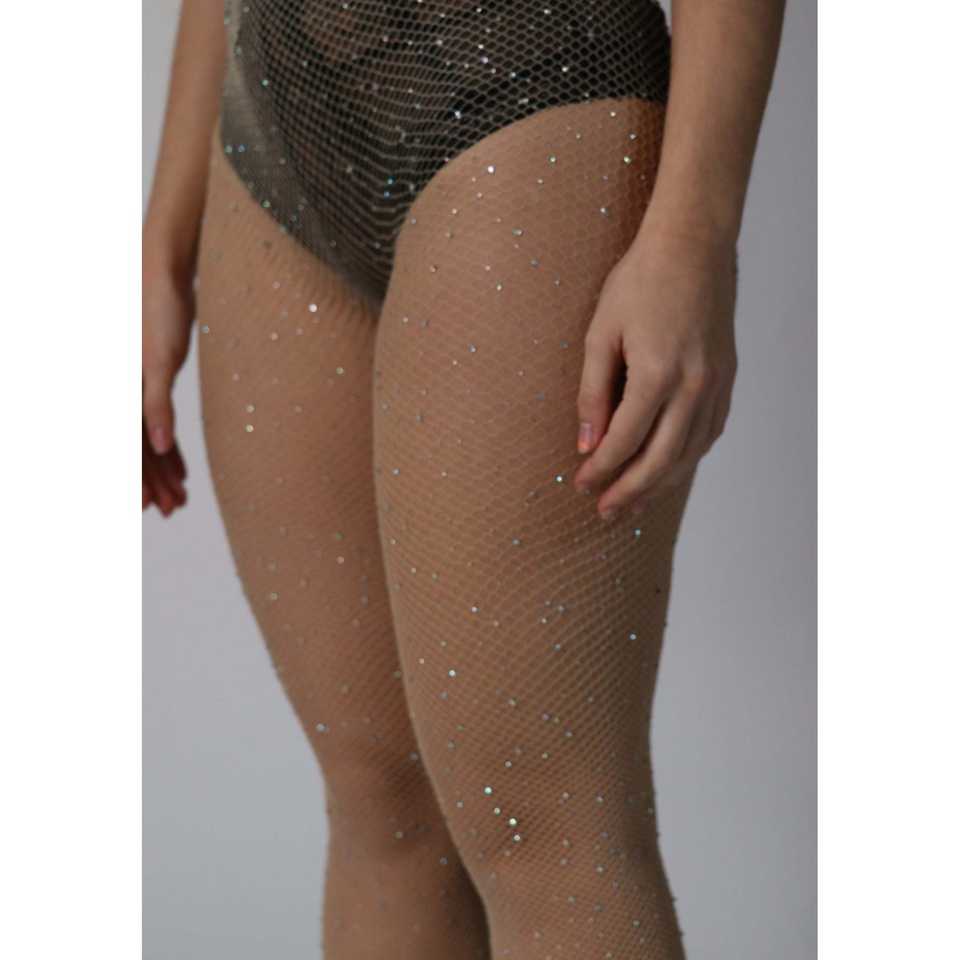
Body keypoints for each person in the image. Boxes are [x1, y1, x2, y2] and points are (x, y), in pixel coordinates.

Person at [143, 1, 785, 957]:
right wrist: (161, 243)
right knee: (381, 801)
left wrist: (694, 233)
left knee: (549, 830)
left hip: (533, 89)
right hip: (268, 104)